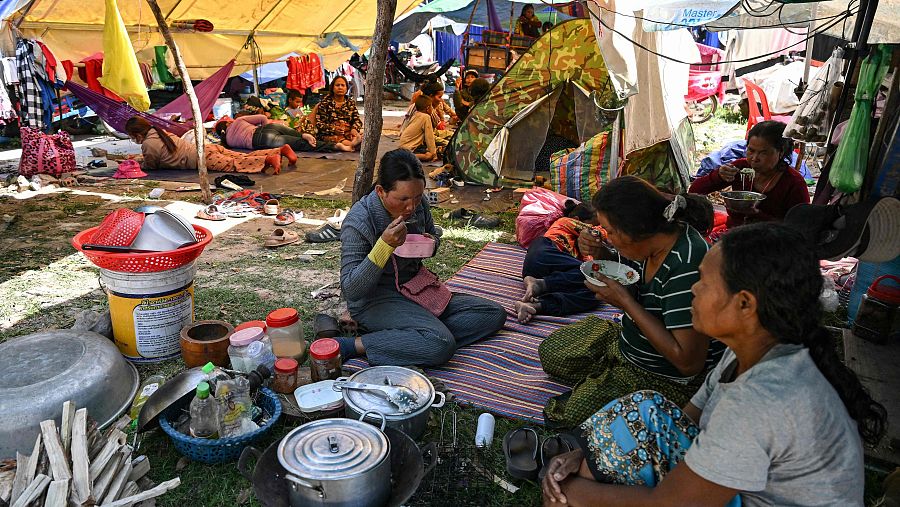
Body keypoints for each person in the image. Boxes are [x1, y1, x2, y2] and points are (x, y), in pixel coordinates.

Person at [541, 224, 886, 507]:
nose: (693, 289)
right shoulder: (747, 354)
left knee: (589, 481)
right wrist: (586, 454)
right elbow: (681, 421)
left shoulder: (762, 400)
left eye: (704, 282)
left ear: (745, 304)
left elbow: (669, 504)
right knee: (645, 409)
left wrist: (572, 492)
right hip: (745, 489)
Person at [538, 176, 725, 428]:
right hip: (630, 340)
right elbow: (630, 274)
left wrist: (626, 303)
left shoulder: (687, 265)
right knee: (552, 353)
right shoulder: (654, 241)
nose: (608, 236)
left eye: (612, 231)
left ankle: (614, 381)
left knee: (568, 414)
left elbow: (688, 363)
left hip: (667, 377)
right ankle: (609, 374)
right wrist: (600, 252)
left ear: (635, 230)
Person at [337, 149, 507, 366]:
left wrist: (431, 242)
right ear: (381, 191)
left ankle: (413, 338)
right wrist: (384, 246)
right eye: (403, 199)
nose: (411, 207)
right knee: (440, 344)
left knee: (493, 314)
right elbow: (352, 290)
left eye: (417, 197)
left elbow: (433, 235)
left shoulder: (418, 205)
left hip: (416, 288)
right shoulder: (359, 221)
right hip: (376, 299)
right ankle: (353, 345)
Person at [689, 120, 809, 234]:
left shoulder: (794, 182)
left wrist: (758, 215)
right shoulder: (740, 168)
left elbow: (799, 227)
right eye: (751, 150)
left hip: (773, 240)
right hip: (734, 233)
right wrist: (718, 176)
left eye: (763, 153)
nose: (754, 158)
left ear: (781, 152)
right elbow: (694, 191)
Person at [515, 200, 606, 323]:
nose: (597, 227)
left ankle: (535, 305)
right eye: (595, 224)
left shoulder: (576, 252)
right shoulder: (564, 221)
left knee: (595, 292)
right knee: (593, 274)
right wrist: (607, 227)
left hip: (549, 275)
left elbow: (587, 265)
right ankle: (541, 284)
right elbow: (595, 234)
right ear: (576, 220)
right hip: (543, 253)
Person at [125, 116, 292, 174]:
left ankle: (268, 160)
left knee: (236, 164)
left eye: (132, 137)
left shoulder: (148, 144)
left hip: (202, 159)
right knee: (241, 156)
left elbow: (151, 165)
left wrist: (139, 163)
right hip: (206, 149)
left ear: (137, 135)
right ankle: (279, 150)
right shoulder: (159, 132)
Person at [214, 112, 342, 154]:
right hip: (268, 128)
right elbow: (262, 118)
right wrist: (265, 129)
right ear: (228, 123)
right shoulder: (238, 121)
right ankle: (302, 134)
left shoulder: (228, 142)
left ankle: (335, 146)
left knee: (300, 144)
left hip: (261, 141)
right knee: (295, 134)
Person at [308, 76, 363, 151]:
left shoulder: (350, 103)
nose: (340, 87)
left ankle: (353, 144)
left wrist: (354, 129)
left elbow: (357, 120)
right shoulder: (325, 103)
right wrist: (334, 129)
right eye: (337, 85)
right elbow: (319, 124)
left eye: (343, 85)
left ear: (346, 88)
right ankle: (352, 145)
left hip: (348, 133)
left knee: (361, 135)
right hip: (330, 134)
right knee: (336, 139)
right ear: (332, 88)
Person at [399, 96, 438, 162]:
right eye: (431, 107)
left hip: (404, 146)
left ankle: (405, 155)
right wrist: (434, 154)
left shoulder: (415, 114)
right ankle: (407, 156)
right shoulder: (426, 117)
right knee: (429, 156)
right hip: (410, 148)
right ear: (428, 108)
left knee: (426, 150)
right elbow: (429, 137)